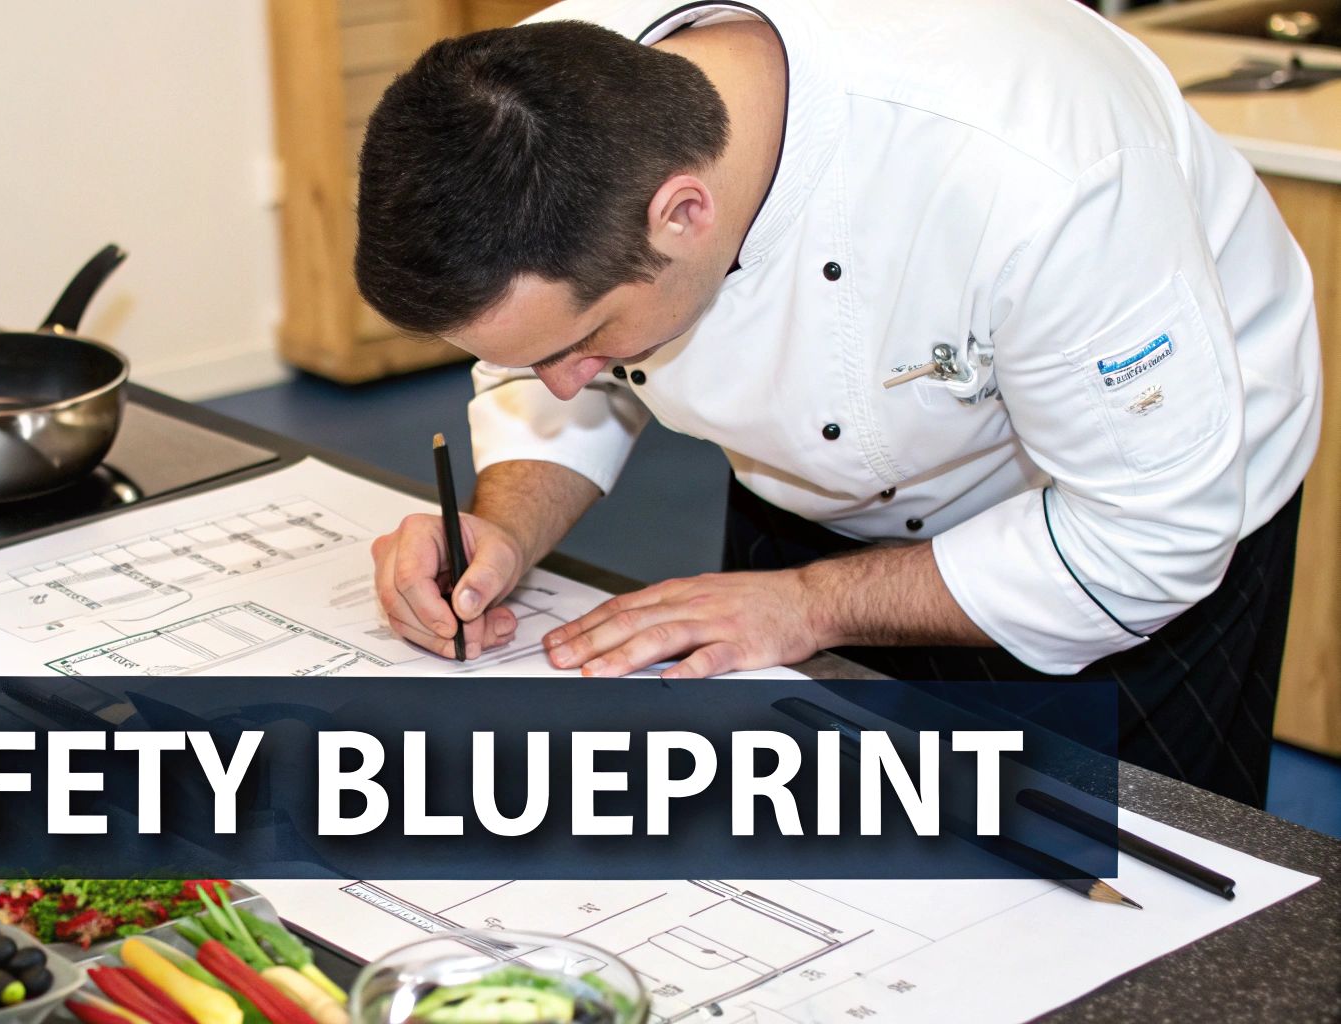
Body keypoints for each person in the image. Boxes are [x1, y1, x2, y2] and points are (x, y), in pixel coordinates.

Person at [359, 0, 1322, 805]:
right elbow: (542, 357)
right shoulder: (531, 108)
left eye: (584, 344)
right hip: (803, 496)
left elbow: (1146, 539)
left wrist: (811, 603)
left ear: (683, 212)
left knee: (1126, 896)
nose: (565, 380)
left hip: (1127, 511)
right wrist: (508, 530)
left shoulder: (1040, 171)